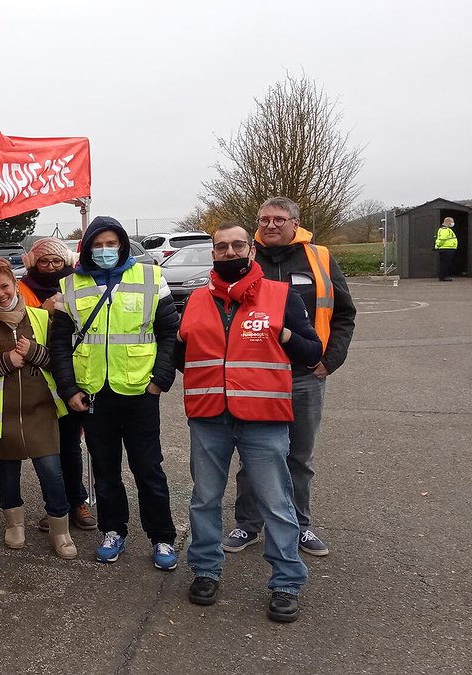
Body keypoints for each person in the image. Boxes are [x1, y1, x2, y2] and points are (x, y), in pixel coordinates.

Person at [178, 223, 323, 623]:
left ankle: (286, 582)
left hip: (263, 419)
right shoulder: (194, 301)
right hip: (209, 416)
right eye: (221, 247)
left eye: (237, 245)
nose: (229, 252)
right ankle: (205, 570)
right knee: (205, 499)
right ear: (213, 254)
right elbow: (180, 354)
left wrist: (284, 333)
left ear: (251, 251)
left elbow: (312, 351)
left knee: (276, 502)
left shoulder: (281, 296)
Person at [225, 197, 356, 557]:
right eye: (264, 219)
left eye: (279, 219)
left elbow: (344, 313)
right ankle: (247, 524)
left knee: (299, 456)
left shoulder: (320, 258)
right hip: (256, 375)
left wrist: (332, 359)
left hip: (304, 374)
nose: (270, 225)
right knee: (254, 454)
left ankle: (300, 525)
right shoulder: (246, 259)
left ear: (295, 223)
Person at [48, 216, 180, 569]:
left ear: (122, 244)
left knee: (148, 469)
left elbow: (171, 333)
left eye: (111, 243)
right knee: (105, 471)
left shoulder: (152, 277)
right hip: (94, 395)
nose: (105, 251)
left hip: (140, 392)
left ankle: (163, 538)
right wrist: (68, 389)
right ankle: (113, 531)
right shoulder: (70, 285)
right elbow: (59, 344)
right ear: (87, 247)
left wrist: (160, 380)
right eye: (98, 244)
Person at [0, 259, 76, 560]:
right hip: (2, 414)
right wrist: (6, 361)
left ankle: (60, 529)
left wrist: (35, 353)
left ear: (15, 285)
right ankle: (13, 524)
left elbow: (61, 362)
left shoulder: (42, 318)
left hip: (41, 410)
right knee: (7, 472)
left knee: (51, 472)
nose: (0, 294)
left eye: (5, 286)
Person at [20, 237, 96, 533]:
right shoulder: (22, 288)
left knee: (70, 444)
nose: (50, 267)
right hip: (36, 379)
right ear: (34, 263)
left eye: (56, 262)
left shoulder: (77, 285)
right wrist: (44, 308)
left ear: (66, 263)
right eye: (44, 262)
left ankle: (77, 501)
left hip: (68, 377)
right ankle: (56, 505)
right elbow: (17, 325)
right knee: (46, 450)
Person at [434, 217, 458, 282]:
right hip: (447, 248)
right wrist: (438, 245)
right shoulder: (445, 230)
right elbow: (442, 239)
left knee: (444, 263)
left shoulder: (444, 229)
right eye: (452, 222)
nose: (453, 223)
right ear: (448, 222)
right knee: (446, 263)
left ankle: (443, 276)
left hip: (446, 248)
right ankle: (444, 276)